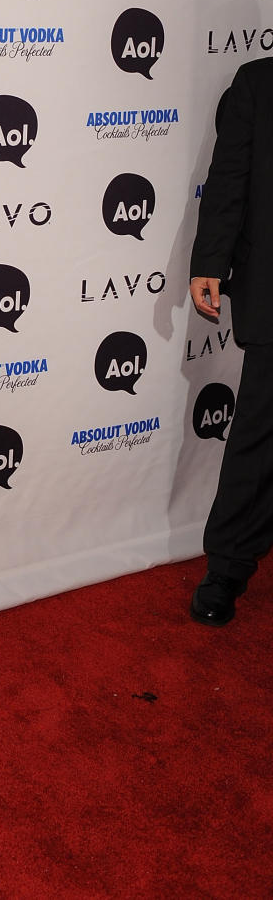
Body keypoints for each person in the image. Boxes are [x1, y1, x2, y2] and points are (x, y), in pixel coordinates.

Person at [189, 57, 273, 625]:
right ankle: (228, 567)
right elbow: (228, 182)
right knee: (259, 434)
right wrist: (209, 263)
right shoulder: (258, 85)